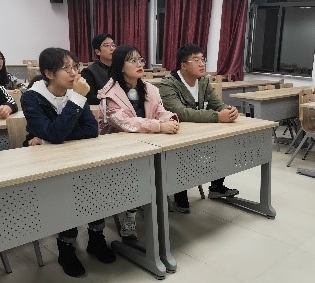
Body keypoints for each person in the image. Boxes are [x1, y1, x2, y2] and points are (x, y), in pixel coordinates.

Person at [21, 47, 116, 276]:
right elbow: (54, 133)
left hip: (78, 157)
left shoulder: (75, 92)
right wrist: (74, 103)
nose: (74, 73)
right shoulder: (31, 97)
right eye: (67, 68)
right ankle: (66, 247)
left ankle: (96, 237)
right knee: (64, 194)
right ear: (49, 73)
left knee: (95, 186)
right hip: (47, 165)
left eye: (75, 67)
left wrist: (48, 137)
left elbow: (91, 130)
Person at [96, 45, 179, 238]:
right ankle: (131, 213)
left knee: (162, 166)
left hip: (147, 144)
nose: (139, 64)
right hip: (118, 150)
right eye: (132, 60)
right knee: (136, 172)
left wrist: (170, 119)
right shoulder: (109, 94)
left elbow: (159, 111)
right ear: (120, 66)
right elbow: (125, 123)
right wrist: (159, 126)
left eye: (140, 60)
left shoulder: (150, 89)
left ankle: (151, 201)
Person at [159, 44, 240, 213]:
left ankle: (216, 187)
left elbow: (217, 104)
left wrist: (229, 110)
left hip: (200, 132)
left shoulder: (203, 81)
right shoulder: (168, 84)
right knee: (183, 153)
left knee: (223, 145)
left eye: (203, 60)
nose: (202, 64)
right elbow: (181, 113)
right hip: (177, 135)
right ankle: (179, 194)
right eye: (196, 60)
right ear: (183, 65)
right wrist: (217, 117)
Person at [80, 33, 115, 105]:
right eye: (107, 45)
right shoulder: (89, 72)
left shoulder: (121, 68)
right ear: (98, 52)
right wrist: (110, 99)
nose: (112, 48)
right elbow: (90, 98)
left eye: (113, 45)